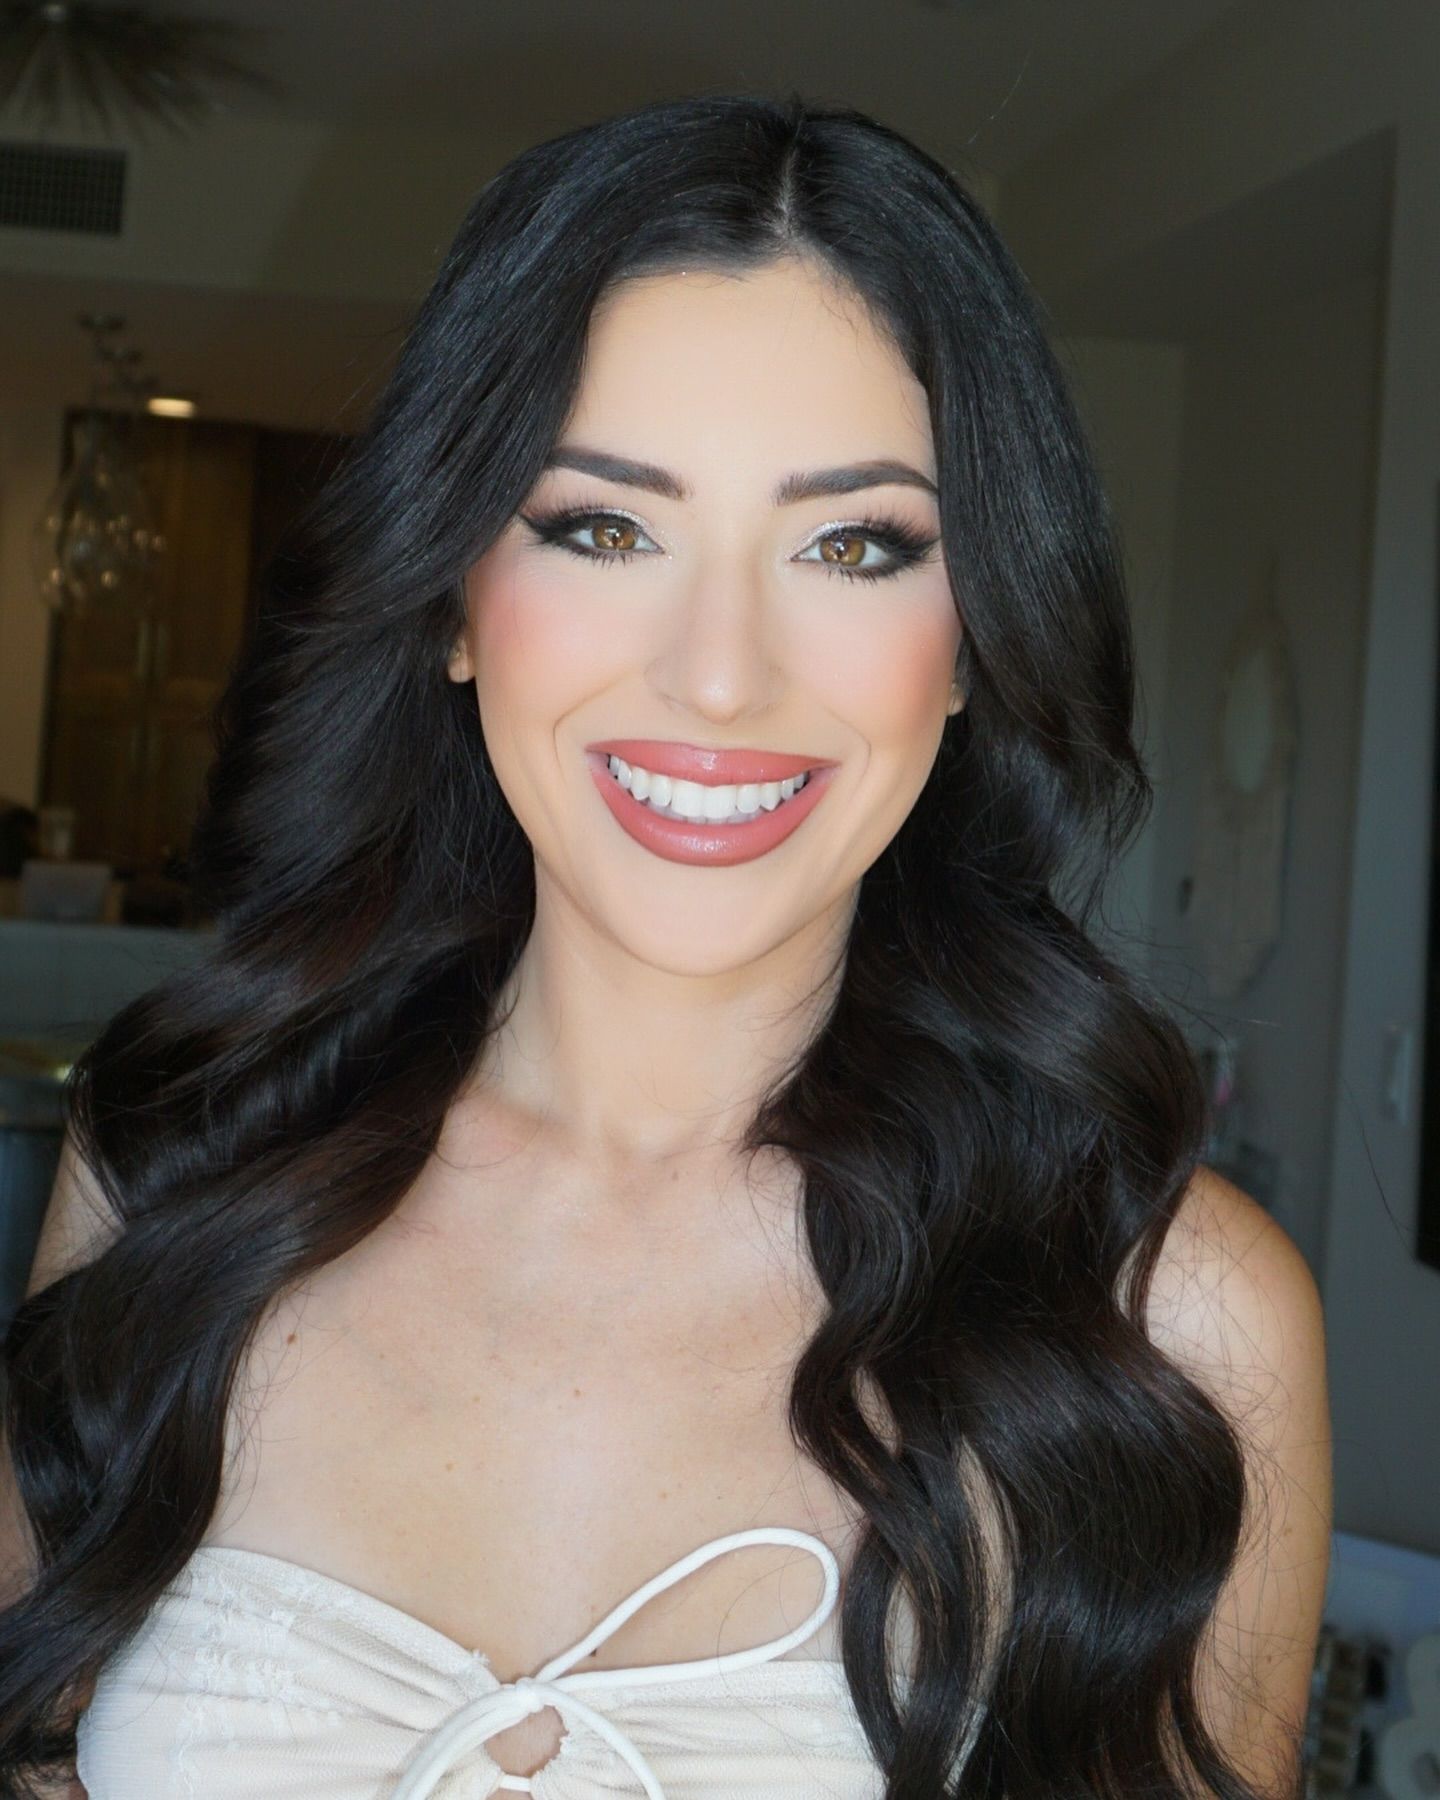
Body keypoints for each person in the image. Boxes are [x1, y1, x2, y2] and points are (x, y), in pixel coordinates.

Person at [0, 90, 1331, 1800]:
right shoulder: (185, 1158)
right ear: (455, 602)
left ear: (974, 641)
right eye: (603, 526)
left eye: (853, 545)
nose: (719, 674)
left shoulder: (1168, 1315)